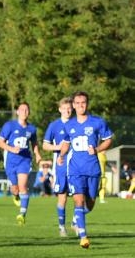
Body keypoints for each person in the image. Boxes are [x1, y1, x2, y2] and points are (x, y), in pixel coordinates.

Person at [58, 91, 113, 249]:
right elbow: (67, 143)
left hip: (93, 170)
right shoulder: (69, 125)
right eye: (78, 103)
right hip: (75, 170)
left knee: (90, 204)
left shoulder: (97, 122)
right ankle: (83, 236)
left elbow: (108, 140)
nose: (80, 105)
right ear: (73, 105)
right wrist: (62, 155)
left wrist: (97, 149)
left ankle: (77, 218)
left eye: (83, 103)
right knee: (78, 201)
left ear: (87, 104)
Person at [0, 102, 42, 226]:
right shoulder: (9, 125)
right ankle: (15, 196)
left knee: (23, 186)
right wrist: (11, 149)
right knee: (15, 188)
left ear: (29, 112)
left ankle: (22, 214)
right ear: (17, 112)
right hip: (11, 161)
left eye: (27, 110)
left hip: (24, 160)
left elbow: (34, 143)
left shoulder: (31, 129)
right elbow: (0, 143)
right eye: (22, 109)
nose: (24, 112)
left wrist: (37, 154)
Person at [42, 97, 73, 237]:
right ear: (59, 109)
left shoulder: (77, 123)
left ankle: (76, 221)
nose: (67, 111)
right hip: (60, 165)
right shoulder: (54, 125)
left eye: (69, 108)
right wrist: (58, 147)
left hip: (77, 165)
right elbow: (45, 145)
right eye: (65, 108)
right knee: (63, 197)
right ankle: (62, 227)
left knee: (83, 195)